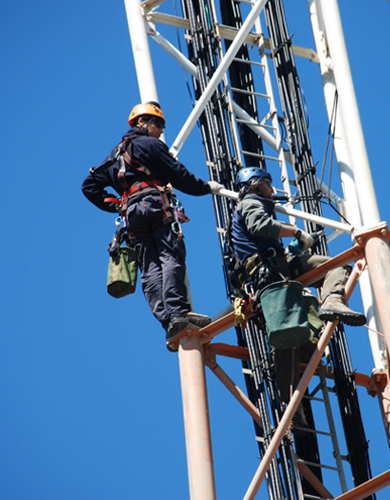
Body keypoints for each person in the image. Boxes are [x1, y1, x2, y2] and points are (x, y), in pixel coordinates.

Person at [230, 166, 366, 433]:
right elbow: (261, 226)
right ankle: (333, 302)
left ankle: (291, 407)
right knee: (333, 270)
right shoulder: (250, 202)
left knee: (287, 339)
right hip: (270, 274)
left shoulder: (251, 207)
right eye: (269, 184)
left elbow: (259, 241)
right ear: (256, 184)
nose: (273, 190)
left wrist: (294, 247)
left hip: (270, 274)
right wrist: (296, 232)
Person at [81, 102, 223, 346]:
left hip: (132, 214)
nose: (160, 131)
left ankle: (168, 321)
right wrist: (205, 187)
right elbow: (178, 174)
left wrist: (116, 204)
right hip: (156, 205)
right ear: (141, 123)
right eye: (157, 124)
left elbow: (89, 185)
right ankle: (178, 312)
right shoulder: (150, 144)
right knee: (170, 256)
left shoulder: (115, 155)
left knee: (149, 268)